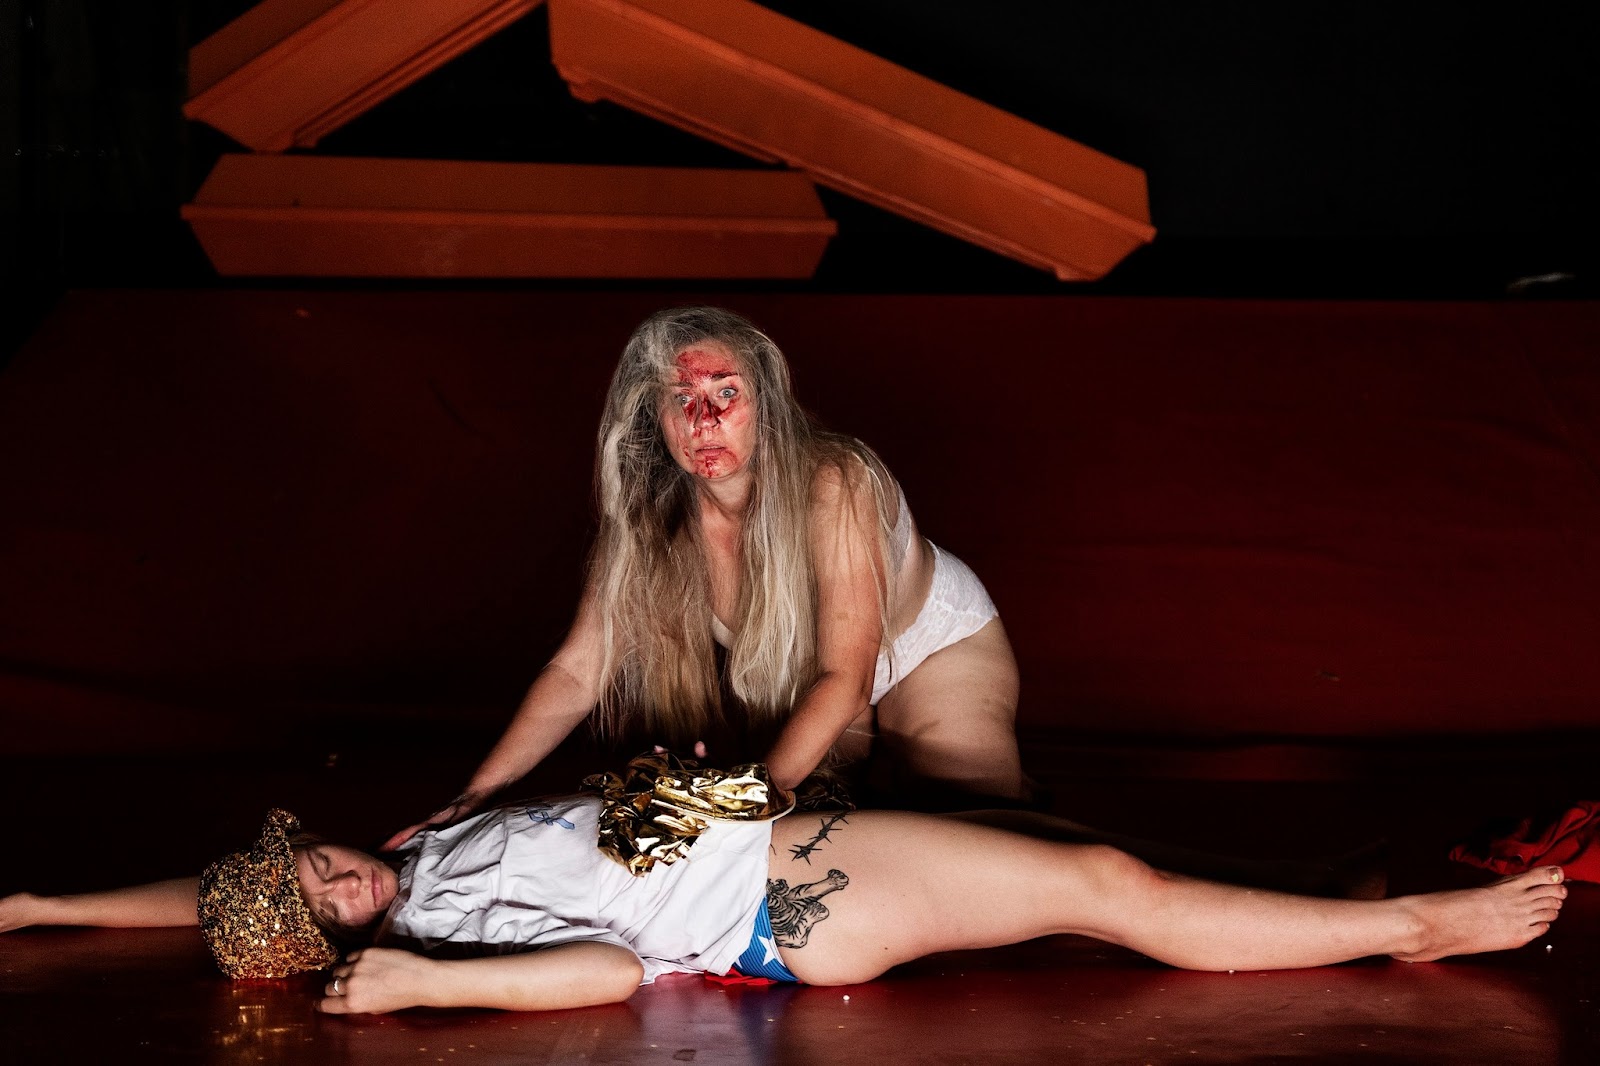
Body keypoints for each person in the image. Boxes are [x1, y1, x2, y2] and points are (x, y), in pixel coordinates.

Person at [0, 789, 1567, 1016]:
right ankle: (1411, 929)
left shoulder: (437, 836)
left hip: (775, 831)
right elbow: (606, 971)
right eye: (320, 907)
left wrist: (41, 905)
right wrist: (421, 983)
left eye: (309, 862)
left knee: (1087, 858)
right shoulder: (442, 926)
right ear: (334, 938)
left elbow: (214, 896)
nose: (335, 881)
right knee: (1105, 887)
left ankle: (1336, 898)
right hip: (790, 897)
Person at [386, 307, 1026, 849]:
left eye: (726, 394)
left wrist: (739, 809)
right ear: (654, 417)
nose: (703, 422)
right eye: (680, 400)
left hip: (925, 647)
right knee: (835, 838)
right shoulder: (650, 522)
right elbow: (579, 671)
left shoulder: (835, 483)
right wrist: (474, 795)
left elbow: (847, 676)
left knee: (983, 836)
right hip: (816, 679)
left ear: (765, 405)